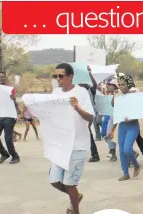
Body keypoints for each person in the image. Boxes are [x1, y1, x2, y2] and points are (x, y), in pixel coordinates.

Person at [49, 63, 95, 214]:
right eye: (56, 76)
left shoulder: (81, 92)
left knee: (69, 183)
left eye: (61, 76)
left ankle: (74, 210)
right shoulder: (55, 92)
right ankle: (76, 196)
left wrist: (77, 108)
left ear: (70, 76)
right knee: (55, 180)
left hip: (77, 144)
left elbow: (90, 118)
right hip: (60, 145)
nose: (58, 79)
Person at [108, 74, 142, 181]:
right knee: (121, 151)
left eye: (123, 85)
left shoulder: (135, 96)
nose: (121, 87)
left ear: (129, 85)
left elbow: (139, 112)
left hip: (133, 126)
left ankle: (136, 165)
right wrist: (112, 129)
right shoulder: (119, 96)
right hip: (122, 125)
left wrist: (131, 119)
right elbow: (115, 108)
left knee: (127, 149)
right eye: (119, 85)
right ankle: (125, 173)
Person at [101, 78, 119, 162]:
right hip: (112, 118)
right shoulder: (108, 94)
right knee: (109, 137)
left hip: (119, 119)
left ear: (115, 86)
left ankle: (132, 154)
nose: (107, 86)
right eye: (107, 85)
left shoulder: (119, 94)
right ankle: (113, 155)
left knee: (120, 139)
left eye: (110, 85)